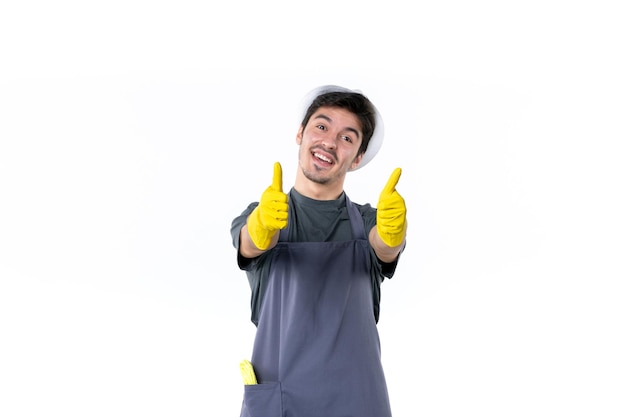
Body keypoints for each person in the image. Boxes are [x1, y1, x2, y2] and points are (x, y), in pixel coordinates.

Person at [230, 85, 407, 417]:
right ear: (300, 133)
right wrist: (260, 226)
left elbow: (384, 248)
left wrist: (392, 233)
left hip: (357, 401)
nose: (329, 141)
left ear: (356, 158)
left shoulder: (369, 220)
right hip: (283, 401)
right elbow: (249, 244)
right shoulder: (266, 215)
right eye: (322, 126)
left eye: (347, 138)